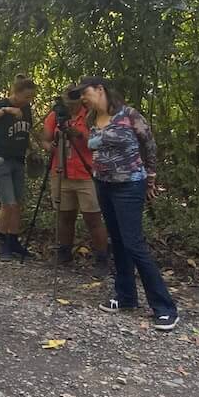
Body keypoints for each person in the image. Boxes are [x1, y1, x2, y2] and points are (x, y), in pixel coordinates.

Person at [73, 76, 179, 331]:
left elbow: (149, 146)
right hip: (103, 183)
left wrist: (151, 179)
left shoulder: (129, 115)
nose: (83, 99)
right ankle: (126, 295)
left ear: (100, 90)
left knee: (133, 242)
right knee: (117, 240)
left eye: (85, 93)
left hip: (129, 184)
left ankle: (165, 307)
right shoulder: (90, 119)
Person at [42, 87, 110, 277]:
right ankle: (64, 253)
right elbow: (45, 140)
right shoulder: (56, 115)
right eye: (67, 99)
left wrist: (78, 134)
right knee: (64, 215)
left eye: (74, 99)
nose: (70, 103)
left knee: (93, 218)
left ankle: (102, 259)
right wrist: (52, 147)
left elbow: (99, 140)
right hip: (61, 171)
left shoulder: (90, 115)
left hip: (85, 172)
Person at [0, 75, 38, 261]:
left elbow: (26, 130)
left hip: (18, 159)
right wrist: (6, 110)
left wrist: (32, 148)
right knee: (9, 202)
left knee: (18, 203)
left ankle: (13, 240)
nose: (28, 100)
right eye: (26, 96)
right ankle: (3, 241)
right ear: (16, 93)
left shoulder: (27, 109)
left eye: (31, 97)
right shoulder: (2, 104)